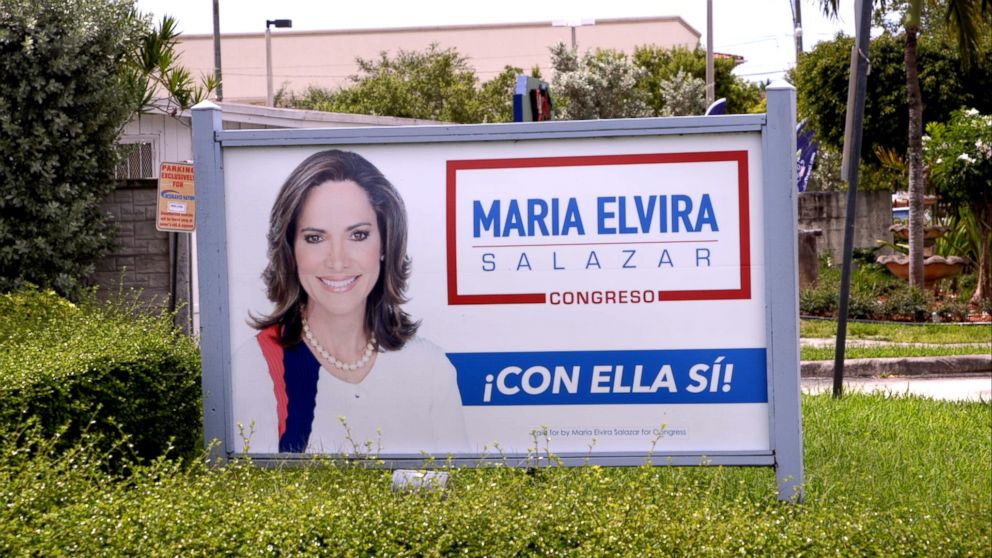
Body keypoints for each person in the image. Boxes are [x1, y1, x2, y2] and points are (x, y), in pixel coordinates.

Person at [233, 149, 467, 454]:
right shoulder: (257, 365)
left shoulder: (431, 367)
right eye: (315, 238)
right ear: (290, 251)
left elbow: (460, 488)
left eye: (358, 235)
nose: (338, 260)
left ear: (385, 242)